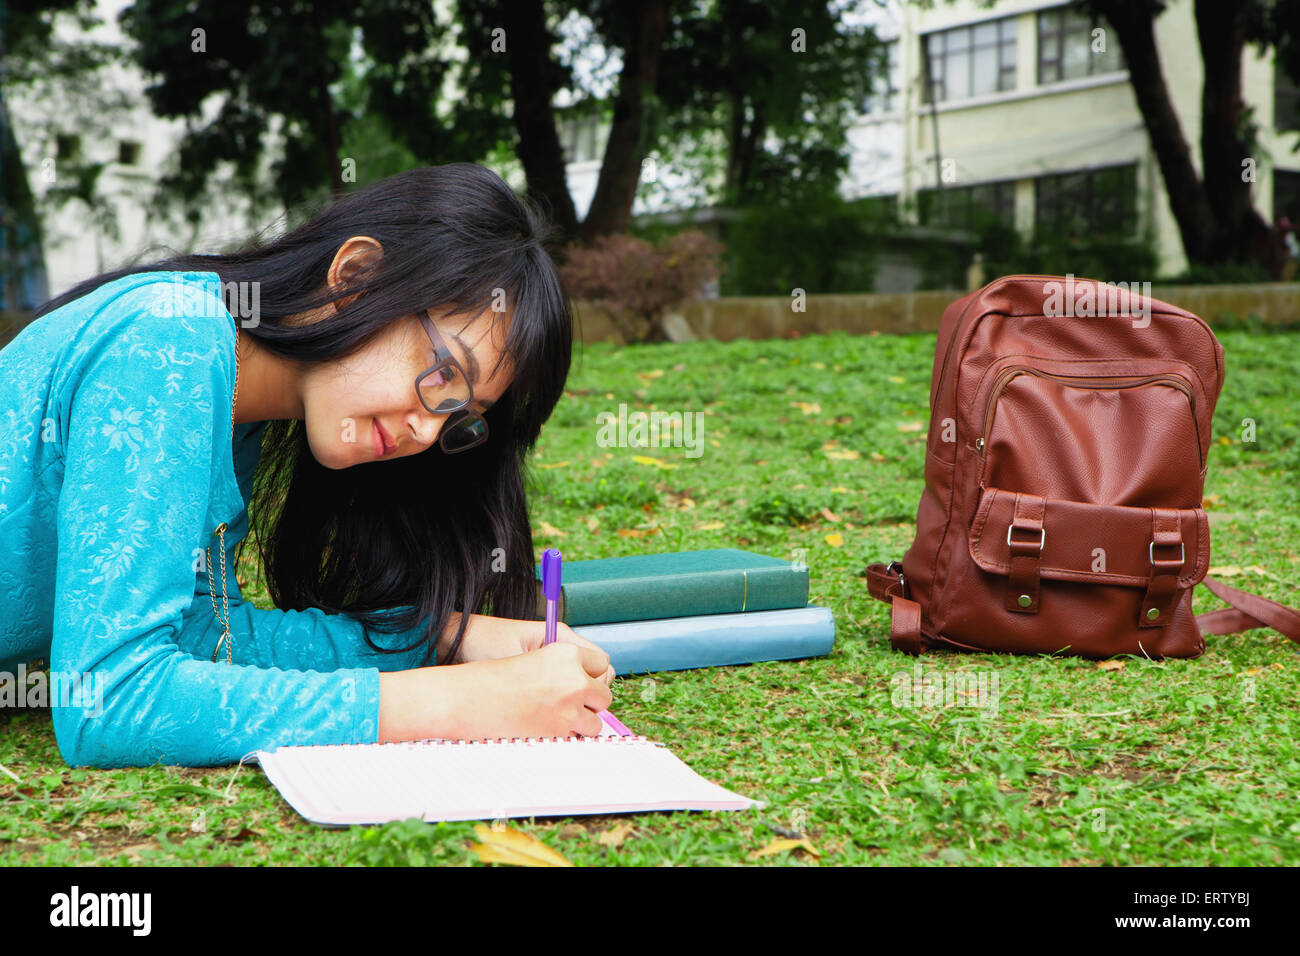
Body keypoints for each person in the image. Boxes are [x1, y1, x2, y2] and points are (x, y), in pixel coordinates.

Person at [0, 163, 614, 769]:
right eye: (445, 375)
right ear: (354, 277)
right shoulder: (169, 338)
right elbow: (113, 701)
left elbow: (203, 641)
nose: (427, 432)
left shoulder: (241, 409)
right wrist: (460, 702)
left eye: (459, 417)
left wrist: (445, 641)